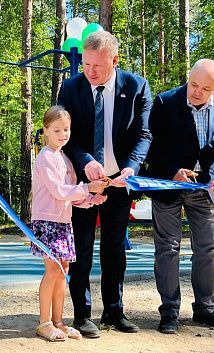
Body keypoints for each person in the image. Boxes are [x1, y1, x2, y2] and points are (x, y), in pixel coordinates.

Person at [57, 31, 152, 337]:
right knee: (81, 248)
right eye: (85, 64)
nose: (90, 72)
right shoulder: (70, 89)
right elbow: (65, 136)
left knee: (114, 249)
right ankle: (82, 315)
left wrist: (131, 168)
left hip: (119, 182)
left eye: (97, 65)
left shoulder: (136, 87)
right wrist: (85, 161)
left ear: (115, 60)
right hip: (85, 184)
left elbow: (143, 134)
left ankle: (114, 311)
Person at [144, 59, 214, 334]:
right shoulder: (165, 102)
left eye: (205, 88)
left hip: (205, 187)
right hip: (167, 185)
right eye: (193, 84)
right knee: (168, 248)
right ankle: (169, 312)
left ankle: (205, 310)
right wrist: (171, 171)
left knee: (207, 248)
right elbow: (150, 146)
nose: (196, 91)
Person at [31, 106, 108, 342]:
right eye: (57, 130)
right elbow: (58, 191)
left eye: (66, 129)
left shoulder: (65, 158)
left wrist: (90, 199)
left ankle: (58, 321)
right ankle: (44, 322)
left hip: (64, 222)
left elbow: (72, 196)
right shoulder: (45, 157)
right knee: (52, 270)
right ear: (45, 131)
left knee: (63, 271)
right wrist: (87, 188)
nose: (63, 134)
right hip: (47, 221)